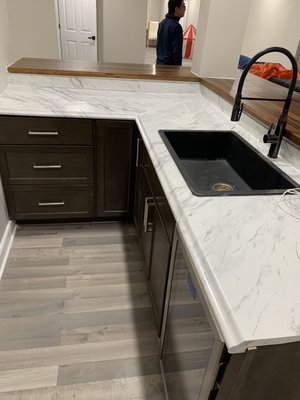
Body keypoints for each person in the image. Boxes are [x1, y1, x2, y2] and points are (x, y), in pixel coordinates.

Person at [156, 0, 186, 66]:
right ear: (176, 9)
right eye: (183, 6)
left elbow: (158, 47)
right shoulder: (176, 26)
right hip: (170, 67)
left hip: (159, 64)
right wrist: (178, 68)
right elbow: (177, 52)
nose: (185, 8)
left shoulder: (162, 23)